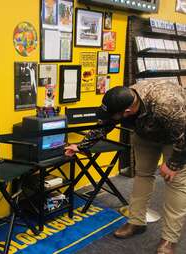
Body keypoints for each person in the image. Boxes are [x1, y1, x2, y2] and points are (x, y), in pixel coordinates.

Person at [64, 81, 186, 254]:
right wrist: (82, 145)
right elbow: (105, 124)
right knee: (143, 175)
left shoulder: (167, 105)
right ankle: (136, 222)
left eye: (115, 115)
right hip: (145, 133)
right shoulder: (123, 99)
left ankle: (169, 241)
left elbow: (184, 134)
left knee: (175, 183)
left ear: (128, 112)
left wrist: (173, 164)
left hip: (176, 138)